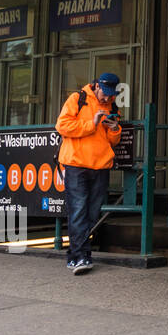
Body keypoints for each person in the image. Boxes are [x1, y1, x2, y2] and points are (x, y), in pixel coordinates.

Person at [55, 72, 123, 274]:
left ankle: (80, 253)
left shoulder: (112, 105)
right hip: (77, 165)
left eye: (111, 94)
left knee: (92, 214)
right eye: (105, 93)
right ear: (96, 86)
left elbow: (113, 141)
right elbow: (62, 126)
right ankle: (79, 257)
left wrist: (114, 129)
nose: (107, 98)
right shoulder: (78, 99)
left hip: (100, 166)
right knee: (78, 211)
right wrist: (91, 124)